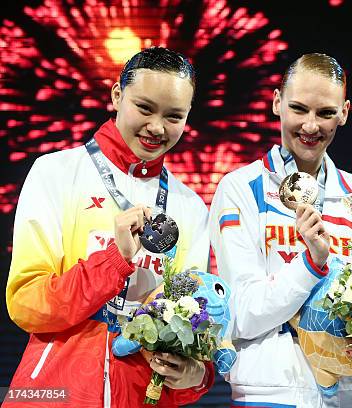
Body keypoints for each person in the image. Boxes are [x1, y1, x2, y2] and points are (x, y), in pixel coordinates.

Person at [5, 47, 214, 407]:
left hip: (144, 396)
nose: (156, 127)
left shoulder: (190, 205)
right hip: (57, 392)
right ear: (117, 95)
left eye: (174, 116)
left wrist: (195, 375)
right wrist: (115, 260)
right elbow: (26, 304)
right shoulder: (55, 172)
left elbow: (197, 321)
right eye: (145, 108)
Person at [209, 53, 352, 407]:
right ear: (276, 102)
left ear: (344, 112)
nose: (311, 126)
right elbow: (242, 313)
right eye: (299, 109)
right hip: (271, 392)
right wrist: (312, 264)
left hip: (351, 396)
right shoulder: (240, 187)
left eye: (325, 113)